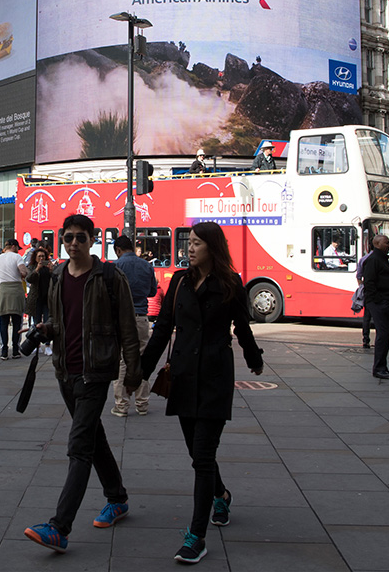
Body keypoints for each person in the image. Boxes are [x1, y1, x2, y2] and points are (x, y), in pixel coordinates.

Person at [139, 221, 264, 564]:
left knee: (203, 456)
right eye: (188, 243)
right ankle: (220, 495)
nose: (189, 248)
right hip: (182, 377)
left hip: (214, 378)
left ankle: (196, 536)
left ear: (212, 247)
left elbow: (242, 326)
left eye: (196, 243)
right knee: (198, 454)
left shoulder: (229, 283)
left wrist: (254, 360)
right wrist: (141, 371)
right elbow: (163, 328)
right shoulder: (179, 282)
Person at [24, 214, 143, 555]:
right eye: (68, 237)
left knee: (79, 446)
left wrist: (132, 373)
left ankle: (59, 527)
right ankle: (117, 498)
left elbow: (127, 330)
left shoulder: (109, 277)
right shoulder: (58, 275)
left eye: (80, 237)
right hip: (65, 370)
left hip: (96, 373)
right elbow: (57, 317)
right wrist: (48, 329)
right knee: (93, 436)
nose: (73, 243)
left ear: (92, 240)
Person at [111, 235, 158, 418]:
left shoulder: (117, 266)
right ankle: (142, 403)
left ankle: (121, 405)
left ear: (118, 250)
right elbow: (152, 291)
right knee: (141, 358)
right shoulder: (147, 265)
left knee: (123, 360)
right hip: (141, 318)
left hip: (121, 318)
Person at [361, 235, 389, 379]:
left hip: (385, 301)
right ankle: (379, 368)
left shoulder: (381, 258)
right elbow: (369, 282)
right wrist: (380, 300)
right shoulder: (374, 260)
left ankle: (383, 367)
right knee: (382, 335)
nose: (388, 244)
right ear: (377, 244)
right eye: (386, 242)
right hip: (379, 303)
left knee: (385, 334)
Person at [0, 239, 28, 360]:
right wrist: (22, 274)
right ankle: (15, 350)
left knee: (3, 322)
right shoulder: (17, 257)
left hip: (3, 290)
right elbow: (23, 272)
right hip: (16, 290)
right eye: (17, 247)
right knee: (17, 322)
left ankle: (3, 351)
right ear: (13, 247)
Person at [26, 248, 54, 355]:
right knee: (36, 323)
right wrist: (37, 269)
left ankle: (47, 345)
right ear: (35, 258)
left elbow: (56, 280)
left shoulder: (48, 267)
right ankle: (36, 345)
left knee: (47, 322)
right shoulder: (32, 267)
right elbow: (29, 279)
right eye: (39, 256)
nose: (41, 259)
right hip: (36, 299)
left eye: (43, 256)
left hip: (47, 299)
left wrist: (51, 271)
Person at [358, 247, 374, 349]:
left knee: (367, 317)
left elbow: (359, 276)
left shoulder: (363, 259)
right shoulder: (380, 259)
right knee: (380, 319)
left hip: (368, 291)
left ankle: (366, 340)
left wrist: (361, 288)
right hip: (377, 293)